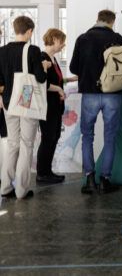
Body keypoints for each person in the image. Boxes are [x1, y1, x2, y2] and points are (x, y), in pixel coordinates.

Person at [70, 9, 122, 195]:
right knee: (110, 136)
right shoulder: (118, 38)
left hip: (90, 94)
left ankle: (90, 180)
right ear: (112, 22)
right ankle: (105, 180)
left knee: (88, 136)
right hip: (113, 93)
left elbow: (73, 67)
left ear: (97, 19)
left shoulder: (83, 38)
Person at [0, 16, 48, 199]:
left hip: (7, 102)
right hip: (25, 99)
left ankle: (5, 188)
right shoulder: (33, 50)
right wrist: (44, 66)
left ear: (15, 29)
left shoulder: (2, 51)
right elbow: (41, 78)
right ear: (29, 31)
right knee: (26, 145)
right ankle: (21, 190)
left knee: (12, 144)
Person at [37, 28, 71, 184]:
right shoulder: (42, 58)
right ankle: (42, 173)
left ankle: (47, 171)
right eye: (61, 41)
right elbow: (41, 83)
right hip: (48, 107)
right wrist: (58, 89)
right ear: (54, 39)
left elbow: (57, 80)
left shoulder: (54, 59)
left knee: (54, 137)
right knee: (48, 138)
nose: (63, 45)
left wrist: (69, 80)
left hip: (56, 106)